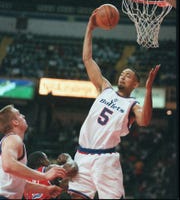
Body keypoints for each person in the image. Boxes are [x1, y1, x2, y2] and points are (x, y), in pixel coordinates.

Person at [68, 10, 161, 199]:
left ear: (136, 84)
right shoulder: (105, 88)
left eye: (129, 75)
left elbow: (145, 121)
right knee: (76, 197)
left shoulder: (132, 105)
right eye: (122, 73)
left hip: (105, 158)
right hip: (82, 154)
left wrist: (149, 90)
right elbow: (87, 60)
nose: (123, 75)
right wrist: (90, 28)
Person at [0, 104, 67, 200]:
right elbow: (8, 166)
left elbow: (21, 185)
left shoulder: (10, 141)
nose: (23, 116)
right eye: (19, 114)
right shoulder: (13, 138)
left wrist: (46, 189)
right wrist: (44, 176)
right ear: (15, 122)